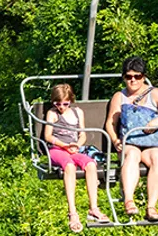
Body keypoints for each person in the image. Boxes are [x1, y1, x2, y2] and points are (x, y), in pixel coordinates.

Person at [105, 56, 158, 223]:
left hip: (152, 143)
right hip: (130, 142)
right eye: (129, 77)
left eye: (137, 76)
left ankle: (151, 206)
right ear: (124, 77)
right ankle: (129, 201)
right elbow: (111, 122)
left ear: (143, 77)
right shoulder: (120, 96)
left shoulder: (155, 94)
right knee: (131, 155)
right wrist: (115, 139)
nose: (133, 80)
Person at [43, 84, 109, 233]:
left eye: (65, 103)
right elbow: (48, 136)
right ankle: (72, 212)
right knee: (69, 166)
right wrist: (65, 146)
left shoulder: (77, 112)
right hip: (57, 149)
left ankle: (94, 208)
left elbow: (83, 134)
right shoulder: (52, 114)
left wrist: (77, 145)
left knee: (91, 164)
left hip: (73, 148)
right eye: (57, 103)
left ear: (71, 101)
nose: (61, 107)